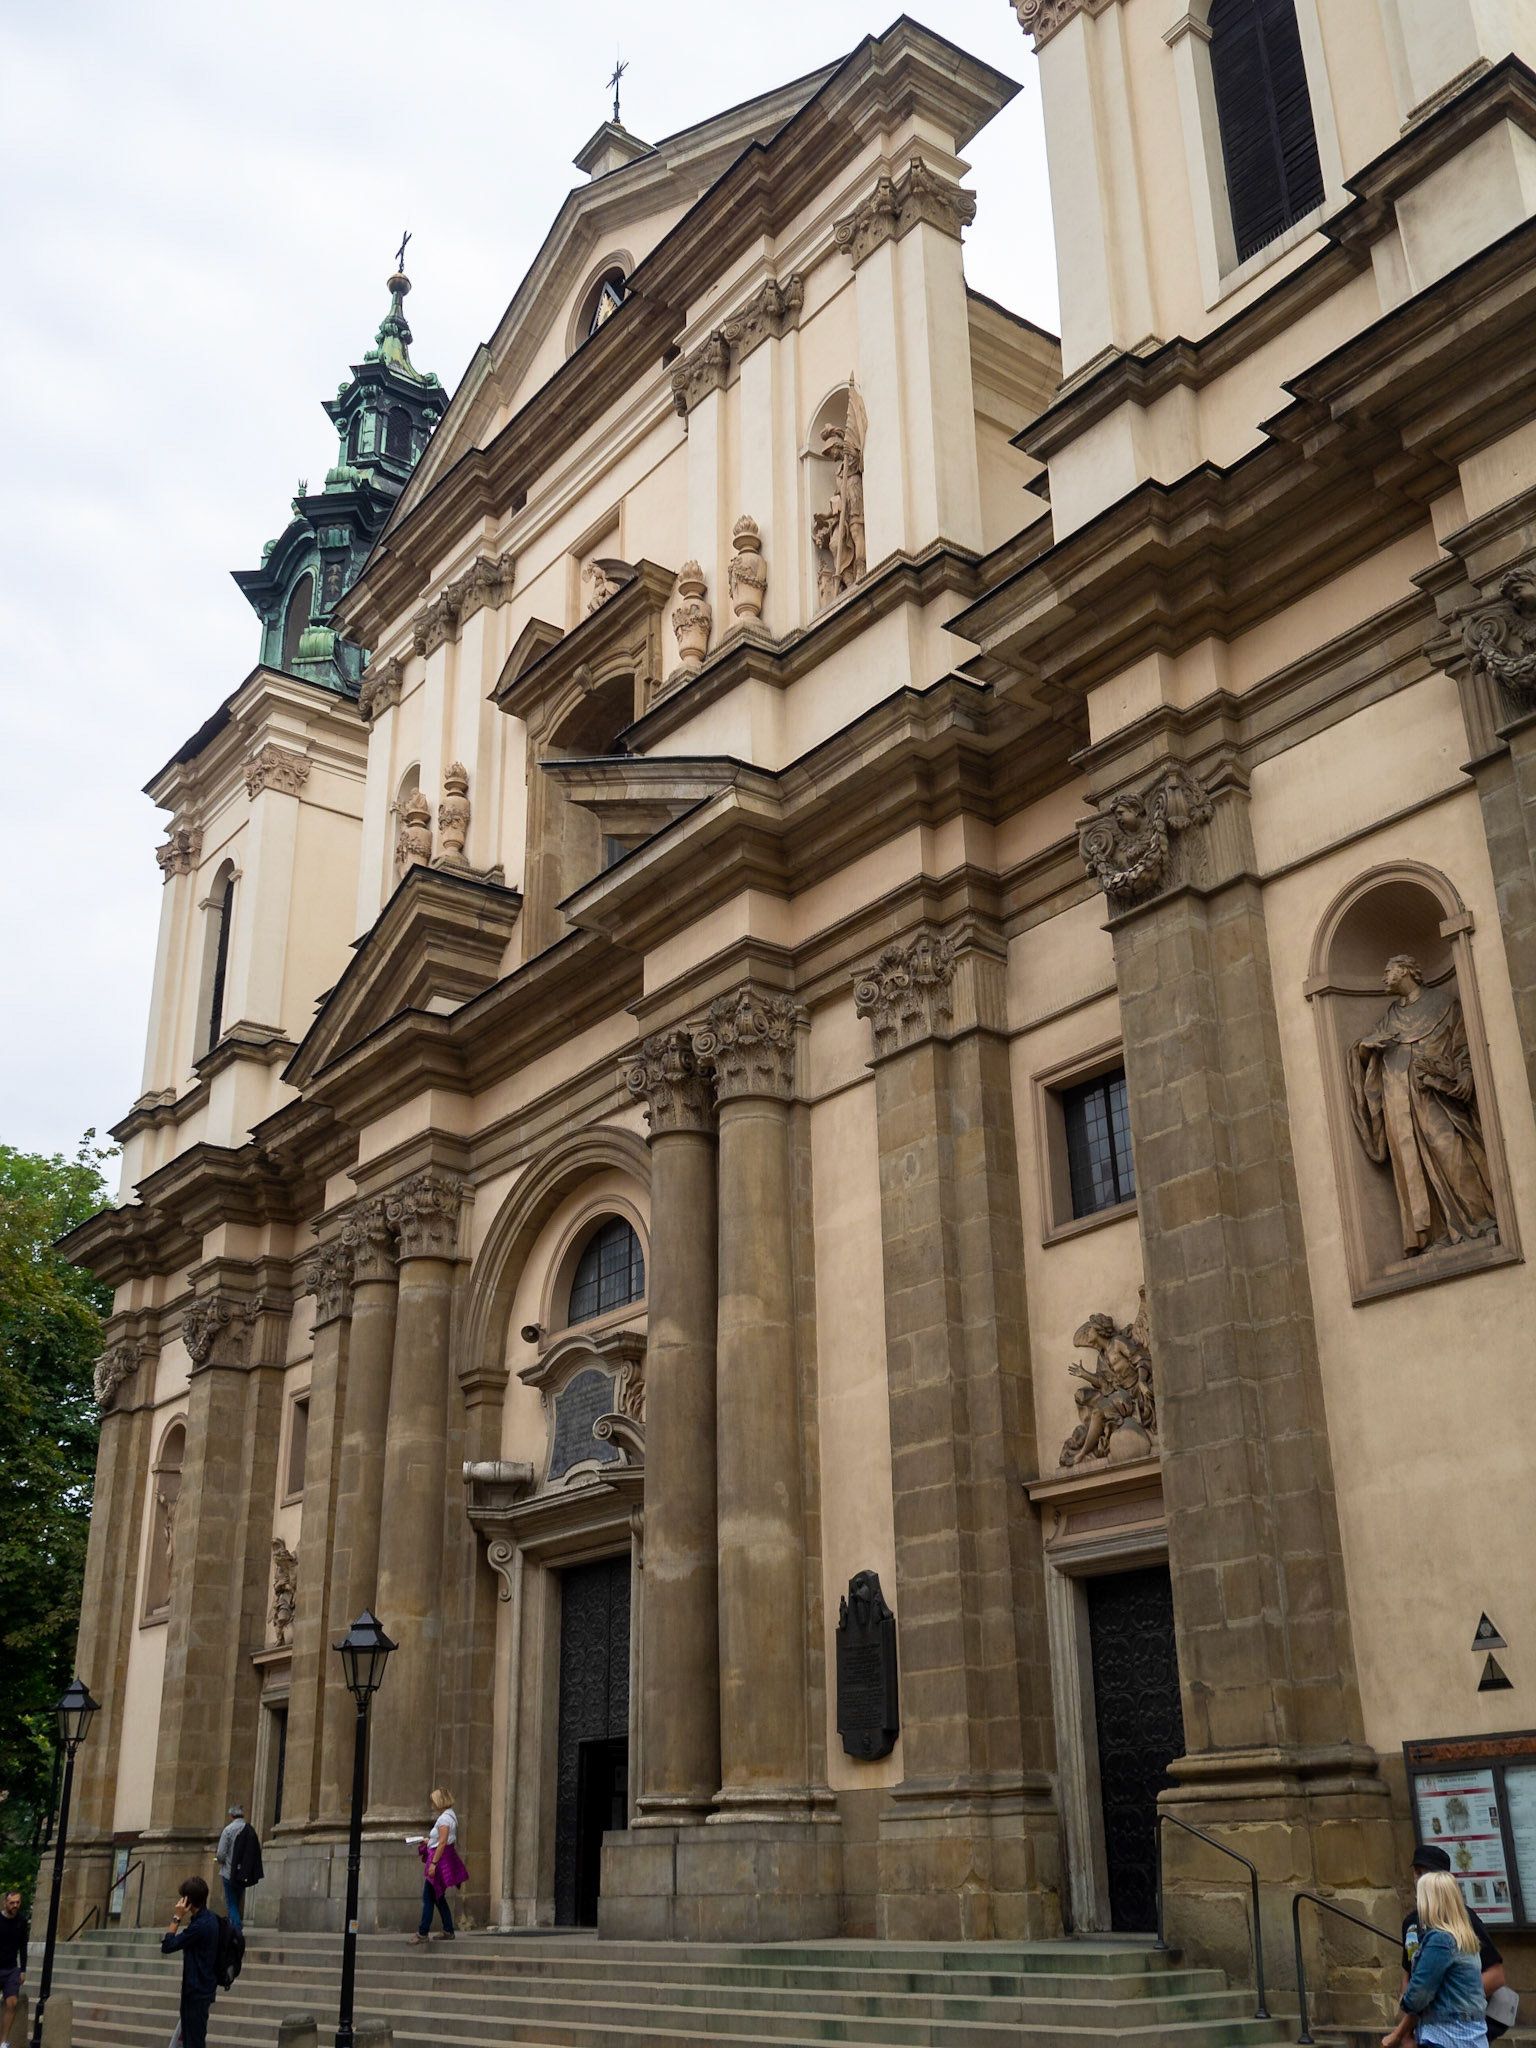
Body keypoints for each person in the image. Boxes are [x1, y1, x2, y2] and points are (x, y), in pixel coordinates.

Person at [1402, 1843, 1510, 2039]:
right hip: (1427, 2029)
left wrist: (1446, 2001)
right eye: (1417, 1873)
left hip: (1456, 2029)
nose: (1420, 1881)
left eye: (1428, 1875)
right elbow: (1410, 1976)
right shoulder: (1411, 1923)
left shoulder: (1463, 1921)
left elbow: (1495, 1975)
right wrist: (1407, 2032)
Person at [1384, 1868, 1488, 2048]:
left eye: (1420, 1898)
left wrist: (1404, 2001)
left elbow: (1420, 1993)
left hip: (1445, 2036)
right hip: (1471, 2036)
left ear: (1430, 1902)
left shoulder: (1440, 1940)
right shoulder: (1464, 1937)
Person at [160, 1875, 218, 2048]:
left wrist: (177, 1917)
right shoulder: (212, 1919)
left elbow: (168, 1945)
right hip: (203, 1989)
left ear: (187, 1901)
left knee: (194, 2042)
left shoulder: (199, 1927)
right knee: (193, 2039)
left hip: (196, 1991)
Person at [406, 1789, 466, 1944]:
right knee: (438, 1897)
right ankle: (448, 1929)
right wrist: (428, 1841)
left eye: (433, 1801)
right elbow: (442, 1839)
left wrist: (433, 1864)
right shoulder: (450, 1816)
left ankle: (423, 1933)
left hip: (439, 1860)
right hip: (442, 1858)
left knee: (428, 1897)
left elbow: (443, 1842)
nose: (432, 1804)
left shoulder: (444, 1819)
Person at [0, 1891, 27, 2047]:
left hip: (11, 1968)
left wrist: (23, 1970)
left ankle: (3, 2041)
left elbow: (23, 1947)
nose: (15, 1905)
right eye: (12, 1903)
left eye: (17, 1902)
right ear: (5, 1903)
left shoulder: (21, 1922)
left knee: (12, 2003)